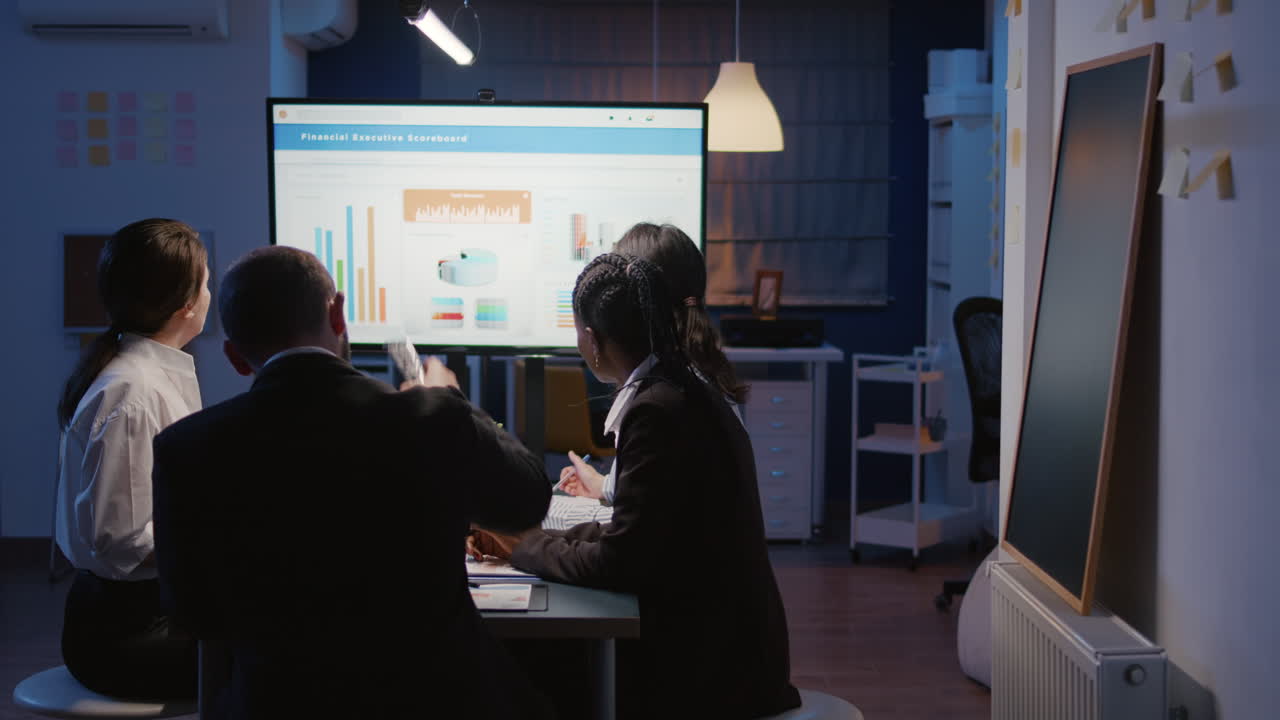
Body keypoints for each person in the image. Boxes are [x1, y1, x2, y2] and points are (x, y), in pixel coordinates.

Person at [150, 246, 554, 719]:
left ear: (236, 357)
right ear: (338, 314)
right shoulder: (428, 418)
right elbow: (528, 500)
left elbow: (192, 613)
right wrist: (454, 402)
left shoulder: (186, 449)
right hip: (430, 701)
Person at [474, 254, 801, 719]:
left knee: (526, 663)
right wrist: (541, 540)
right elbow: (640, 530)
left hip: (713, 675)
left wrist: (526, 547)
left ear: (591, 340)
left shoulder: (656, 412)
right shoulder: (681, 389)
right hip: (734, 649)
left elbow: (621, 559)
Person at [54, 218, 209, 699]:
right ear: (185, 303)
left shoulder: (141, 377)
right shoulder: (133, 395)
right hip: (125, 636)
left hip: (134, 615)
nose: (210, 295)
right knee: (273, 651)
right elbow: (121, 542)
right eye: (207, 284)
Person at [545, 222, 747, 528]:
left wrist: (527, 540)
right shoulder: (690, 376)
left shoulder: (663, 402)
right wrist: (604, 486)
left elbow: (634, 542)